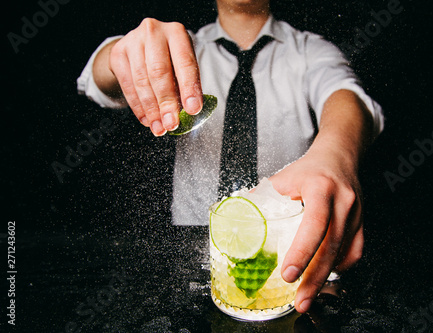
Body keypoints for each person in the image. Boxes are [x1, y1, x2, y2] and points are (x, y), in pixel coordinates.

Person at [77, 0, 384, 313]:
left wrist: (336, 151)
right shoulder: (177, 49)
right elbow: (97, 80)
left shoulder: (309, 50)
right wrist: (123, 53)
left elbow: (347, 96)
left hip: (281, 255)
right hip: (188, 251)